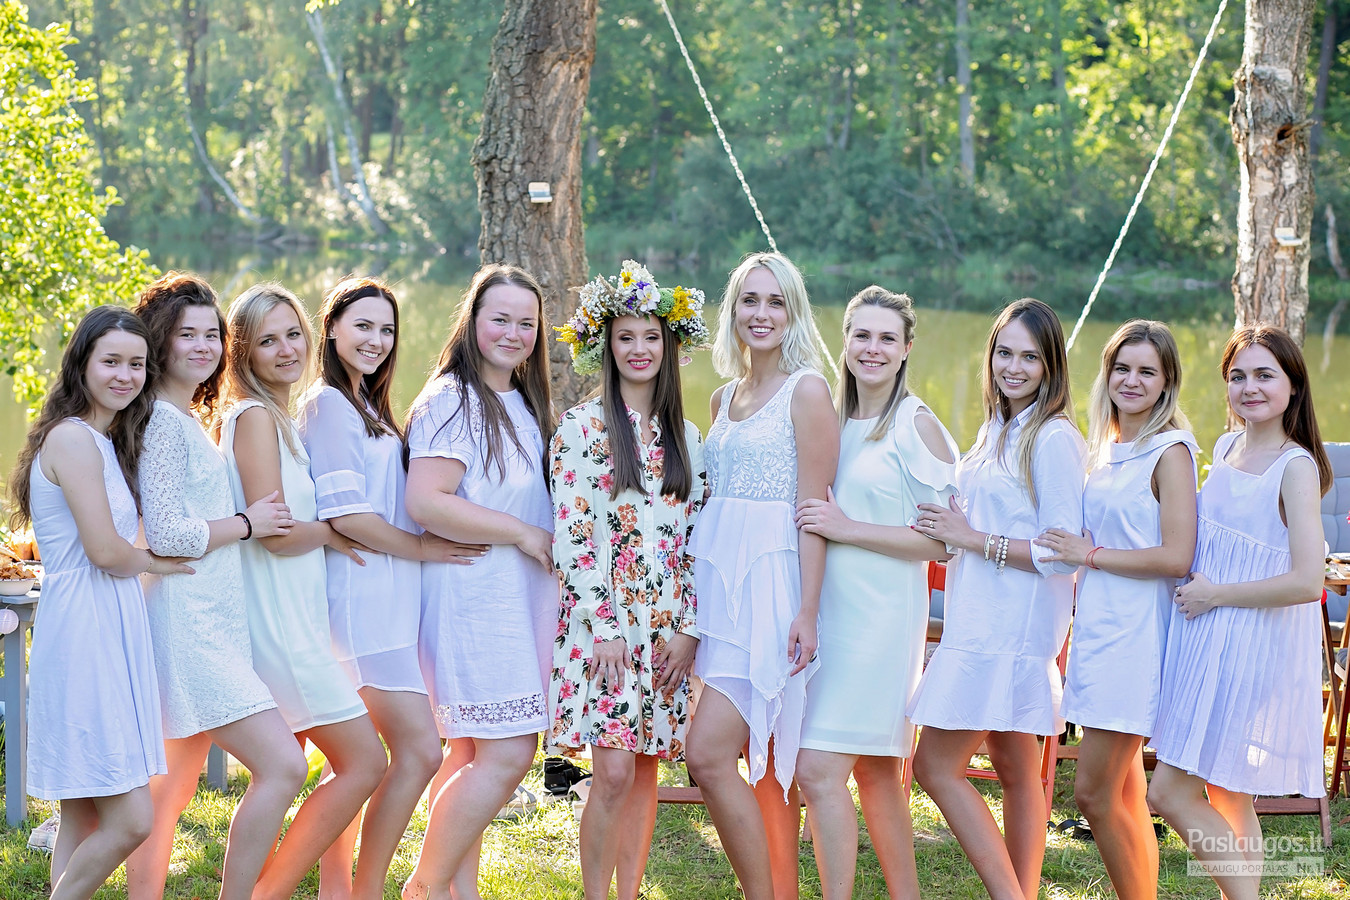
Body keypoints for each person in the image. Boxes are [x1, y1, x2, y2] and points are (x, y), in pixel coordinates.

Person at [296, 276, 484, 899]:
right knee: (420, 751)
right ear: (331, 328)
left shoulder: (366, 405)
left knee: (354, 763)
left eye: (386, 329)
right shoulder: (328, 405)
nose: (376, 340)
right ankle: (368, 889)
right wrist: (423, 548)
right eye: (362, 326)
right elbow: (347, 515)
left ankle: (338, 889)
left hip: (389, 598)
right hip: (361, 601)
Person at [125, 273, 309, 900]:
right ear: (160, 341)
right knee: (283, 767)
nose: (203, 346)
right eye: (188, 334)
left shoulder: (182, 417)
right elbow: (167, 532)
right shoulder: (162, 422)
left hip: (209, 618)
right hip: (190, 623)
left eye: (212, 334)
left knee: (172, 786)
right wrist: (248, 523)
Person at [8, 306, 189, 900]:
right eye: (111, 361)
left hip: (106, 619)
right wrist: (158, 562)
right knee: (132, 820)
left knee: (82, 815)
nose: (125, 375)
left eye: (137, 364)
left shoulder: (103, 440)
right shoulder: (71, 438)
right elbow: (106, 551)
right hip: (85, 627)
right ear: (81, 363)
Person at [909, 298, 1085, 900]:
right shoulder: (995, 430)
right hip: (980, 612)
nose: (1013, 367)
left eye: (1029, 357)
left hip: (1008, 627)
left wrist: (973, 539)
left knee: (934, 767)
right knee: (1015, 770)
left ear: (1051, 365)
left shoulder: (1053, 437)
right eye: (1004, 353)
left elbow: (1063, 551)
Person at [1147, 324, 1330, 900]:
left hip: (1251, 645)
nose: (1249, 387)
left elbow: (1308, 581)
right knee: (1228, 793)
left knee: (1167, 793)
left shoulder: (1294, 467)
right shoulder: (1226, 448)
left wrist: (1217, 595)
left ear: (1293, 385)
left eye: (1264, 375)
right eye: (1238, 376)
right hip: (1207, 637)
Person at [218, 283, 389, 900]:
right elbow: (275, 534)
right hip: (281, 631)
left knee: (282, 776)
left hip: (297, 620)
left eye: (293, 334)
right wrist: (339, 533)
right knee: (364, 763)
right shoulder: (255, 418)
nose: (287, 349)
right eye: (268, 340)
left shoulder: (280, 417)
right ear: (242, 350)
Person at [549, 262, 710, 900]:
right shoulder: (580, 429)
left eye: (651, 337)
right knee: (613, 771)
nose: (639, 349)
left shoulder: (687, 437)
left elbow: (697, 543)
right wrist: (606, 628)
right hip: (605, 627)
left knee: (645, 770)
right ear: (606, 346)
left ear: (669, 346)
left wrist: (689, 630)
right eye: (626, 337)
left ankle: (629, 892)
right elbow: (573, 538)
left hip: (666, 628)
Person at [793, 286, 959, 900]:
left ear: (907, 347)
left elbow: (943, 542)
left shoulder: (916, 425)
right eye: (862, 335)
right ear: (845, 341)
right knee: (879, 774)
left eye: (887, 338)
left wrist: (848, 529)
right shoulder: (835, 420)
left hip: (881, 621)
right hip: (831, 613)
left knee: (817, 770)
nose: (873, 348)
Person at [683, 251, 839, 900]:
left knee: (711, 754)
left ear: (794, 313)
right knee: (747, 763)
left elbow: (814, 511)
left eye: (776, 302)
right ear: (733, 311)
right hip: (717, 589)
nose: (762, 313)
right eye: (750, 300)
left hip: (772, 591)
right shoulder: (723, 398)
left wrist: (807, 610)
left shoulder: (807, 391)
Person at [401, 264, 557, 900]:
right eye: (500, 319)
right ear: (472, 321)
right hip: (475, 597)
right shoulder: (451, 399)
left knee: (470, 754)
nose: (513, 333)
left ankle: (453, 892)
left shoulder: (521, 401)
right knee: (509, 753)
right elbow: (426, 499)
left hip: (511, 599)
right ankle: (424, 885)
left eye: (526, 322)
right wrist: (521, 533)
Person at [1033, 320, 1197, 900]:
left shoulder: (1170, 452)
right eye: (1122, 368)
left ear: (1167, 381)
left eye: (1147, 371)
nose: (1131, 380)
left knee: (1093, 795)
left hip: (1137, 637)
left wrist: (1091, 555)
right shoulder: (1104, 450)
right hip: (1098, 629)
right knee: (1125, 794)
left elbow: (1178, 555)